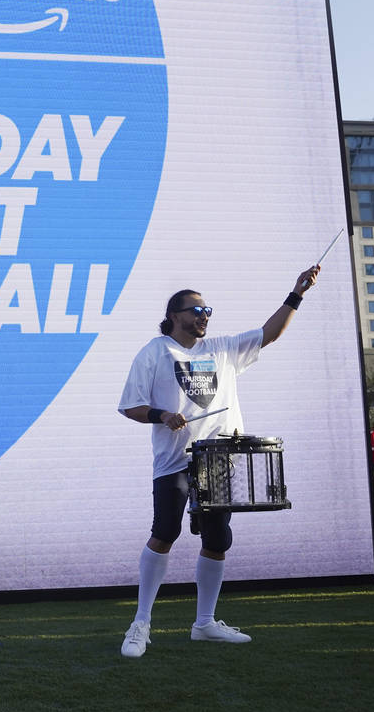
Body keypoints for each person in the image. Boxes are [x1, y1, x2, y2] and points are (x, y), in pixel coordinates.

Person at [116, 265, 320, 659]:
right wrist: (162, 416)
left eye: (207, 310)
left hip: (218, 459)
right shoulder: (154, 352)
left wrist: (297, 292)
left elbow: (270, 333)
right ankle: (140, 623)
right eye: (196, 310)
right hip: (175, 461)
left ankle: (204, 624)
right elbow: (131, 407)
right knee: (165, 532)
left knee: (217, 539)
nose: (203, 316)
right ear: (174, 315)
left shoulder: (223, 348)